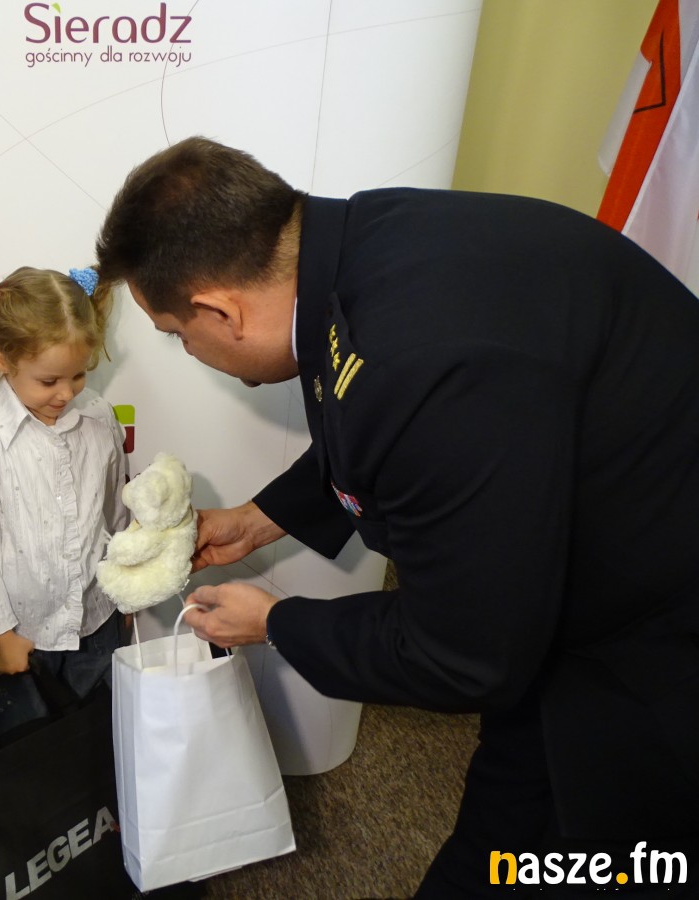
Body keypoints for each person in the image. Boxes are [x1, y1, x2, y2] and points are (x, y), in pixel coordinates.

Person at [94, 136, 699, 896]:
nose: (188, 350)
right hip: (573, 583)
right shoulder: (356, 248)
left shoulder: (424, 363)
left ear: (221, 310)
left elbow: (461, 653)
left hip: (657, 645)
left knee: (610, 855)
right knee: (500, 834)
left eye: (179, 335)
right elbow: (367, 422)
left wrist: (276, 623)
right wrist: (256, 519)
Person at [0, 266, 129, 736]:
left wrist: (126, 588)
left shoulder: (99, 416)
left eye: (79, 375)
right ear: (2, 360)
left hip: (97, 618)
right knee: (30, 747)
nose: (65, 393)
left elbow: (115, 508)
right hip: (25, 634)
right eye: (49, 381)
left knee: (98, 733)